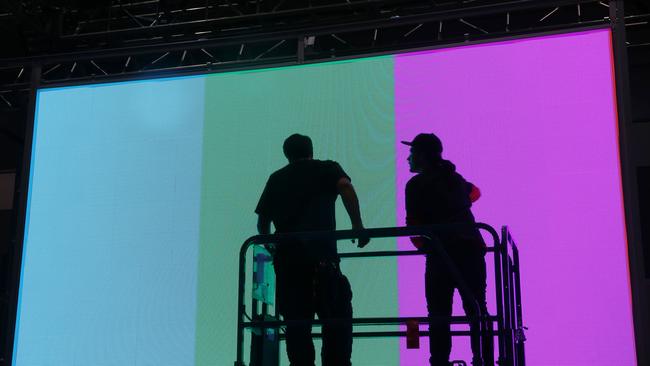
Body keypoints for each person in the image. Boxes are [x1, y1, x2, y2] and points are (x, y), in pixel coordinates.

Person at [255, 133, 369, 366]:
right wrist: (357, 225)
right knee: (336, 323)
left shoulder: (276, 178)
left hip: (290, 265)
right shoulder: (328, 168)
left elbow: (262, 222)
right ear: (311, 150)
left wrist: (272, 245)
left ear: (287, 155)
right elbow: (345, 186)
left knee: (297, 328)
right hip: (324, 262)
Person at [401, 133, 492, 366]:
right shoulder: (454, 177)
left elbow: (414, 225)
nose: (408, 159)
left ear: (421, 156)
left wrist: (426, 247)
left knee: (439, 314)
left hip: (440, 256)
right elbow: (476, 192)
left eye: (411, 154)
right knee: (477, 309)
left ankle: (440, 362)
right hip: (471, 249)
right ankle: (485, 360)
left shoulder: (415, 185)